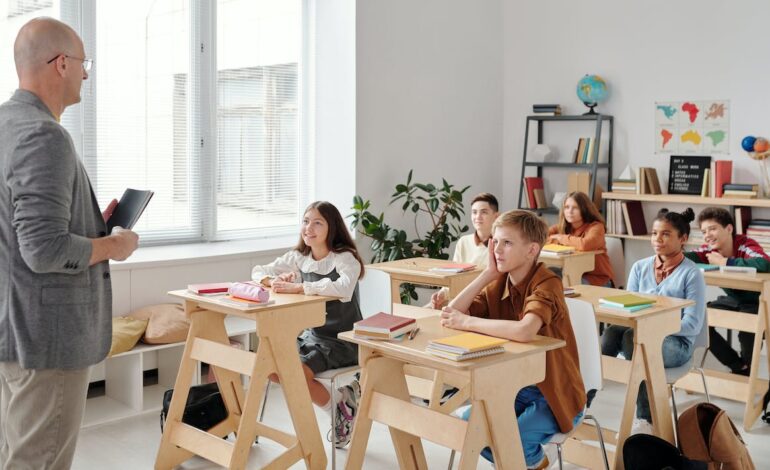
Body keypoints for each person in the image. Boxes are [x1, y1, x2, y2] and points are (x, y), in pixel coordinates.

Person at [0, 17, 139, 469]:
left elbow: (20, 228)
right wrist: (112, 246)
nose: (85, 73)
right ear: (61, 63)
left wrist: (87, 224)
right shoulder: (45, 136)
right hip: (48, 338)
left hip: (13, 327)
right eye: (83, 63)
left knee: (15, 450)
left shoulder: (6, 125)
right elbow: (43, 250)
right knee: (39, 461)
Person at [440, 210, 586, 469]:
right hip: (514, 387)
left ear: (531, 250)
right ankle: (522, 463)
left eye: (506, 243)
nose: (497, 249)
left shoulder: (547, 282)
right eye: (494, 242)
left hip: (554, 392)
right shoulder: (499, 283)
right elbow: (453, 313)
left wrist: (468, 323)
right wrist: (487, 274)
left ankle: (535, 461)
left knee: (514, 440)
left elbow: (525, 330)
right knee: (467, 428)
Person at [252, 201, 364, 448]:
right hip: (313, 336)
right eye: (305, 221)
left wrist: (300, 286)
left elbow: (344, 288)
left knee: (298, 375)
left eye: (317, 222)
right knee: (269, 368)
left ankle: (338, 411)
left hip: (344, 339)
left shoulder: (345, 258)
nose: (308, 228)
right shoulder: (299, 257)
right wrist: (274, 279)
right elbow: (258, 271)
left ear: (331, 227)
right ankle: (339, 403)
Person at [601, 208, 706, 435]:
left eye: (666, 234)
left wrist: (654, 330)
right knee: (611, 333)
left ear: (683, 239)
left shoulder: (691, 274)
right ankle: (579, 405)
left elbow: (693, 325)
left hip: (678, 344)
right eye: (654, 233)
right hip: (641, 337)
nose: (657, 239)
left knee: (634, 340)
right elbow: (628, 311)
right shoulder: (640, 267)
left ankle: (644, 420)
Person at [684, 207, 770, 376]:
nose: (707, 235)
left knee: (748, 330)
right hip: (734, 299)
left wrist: (726, 262)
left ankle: (748, 371)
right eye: (703, 231)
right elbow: (686, 257)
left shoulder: (745, 245)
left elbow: (765, 264)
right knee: (699, 320)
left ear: (729, 229)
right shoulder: (708, 250)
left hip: (758, 301)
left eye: (712, 229)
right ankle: (738, 366)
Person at [429, 192, 499, 309]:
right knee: (421, 313)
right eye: (474, 212)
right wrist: (442, 293)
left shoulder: (500, 244)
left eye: (484, 212)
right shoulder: (463, 242)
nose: (478, 217)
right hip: (457, 296)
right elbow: (454, 275)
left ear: (496, 216)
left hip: (483, 302)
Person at [547, 191, 615, 287]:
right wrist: (558, 239)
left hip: (597, 280)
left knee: (563, 285)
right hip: (571, 274)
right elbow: (539, 237)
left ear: (584, 209)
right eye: (567, 207)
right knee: (546, 280)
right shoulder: (562, 227)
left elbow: (585, 244)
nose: (570, 211)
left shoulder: (596, 227)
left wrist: (561, 238)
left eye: (575, 208)